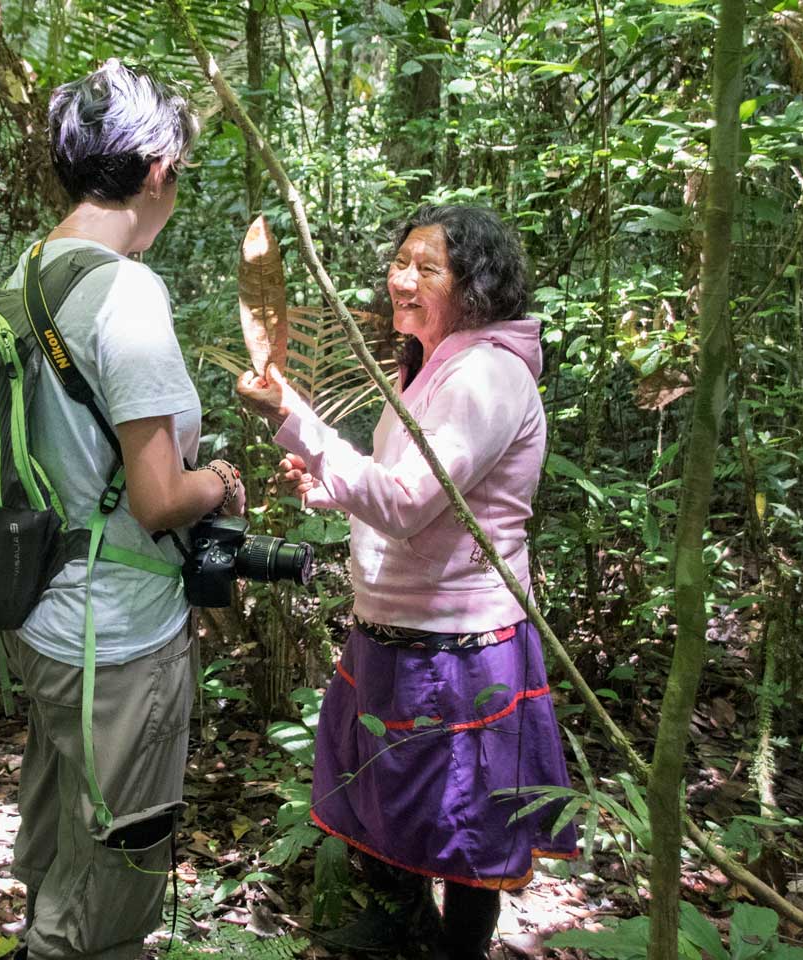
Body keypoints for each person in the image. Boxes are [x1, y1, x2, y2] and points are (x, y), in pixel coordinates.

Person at [237, 204, 576, 960]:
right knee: (392, 796)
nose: (403, 279)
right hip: (399, 627)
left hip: (459, 639)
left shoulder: (485, 374)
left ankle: (454, 952)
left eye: (429, 268)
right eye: (401, 262)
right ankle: (405, 930)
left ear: (476, 286)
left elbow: (409, 503)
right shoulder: (429, 366)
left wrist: (296, 420)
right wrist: (326, 480)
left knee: (469, 824)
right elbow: (399, 489)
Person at [1, 60, 244, 960]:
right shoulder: (126, 292)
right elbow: (156, 499)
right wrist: (219, 483)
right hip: (119, 633)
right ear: (156, 168)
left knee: (62, 832)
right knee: (114, 877)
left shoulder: (34, 272)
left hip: (44, 616)